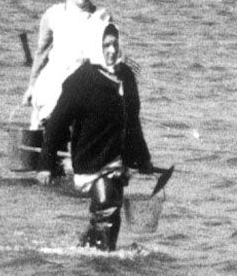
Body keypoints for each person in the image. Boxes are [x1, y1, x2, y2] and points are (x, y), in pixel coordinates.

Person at [38, 22, 156, 251]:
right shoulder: (81, 80)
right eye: (105, 46)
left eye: (114, 44)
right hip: (92, 159)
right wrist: (46, 163)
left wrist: (143, 159)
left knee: (107, 215)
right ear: (95, 47)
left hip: (117, 160)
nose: (111, 51)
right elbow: (57, 122)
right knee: (107, 210)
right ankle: (103, 270)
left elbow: (133, 122)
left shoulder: (127, 76)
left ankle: (87, 256)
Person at [25, 0, 111, 129]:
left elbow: (111, 54)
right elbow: (41, 54)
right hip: (56, 76)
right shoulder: (54, 14)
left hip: (87, 77)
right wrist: (31, 86)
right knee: (47, 113)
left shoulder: (102, 16)